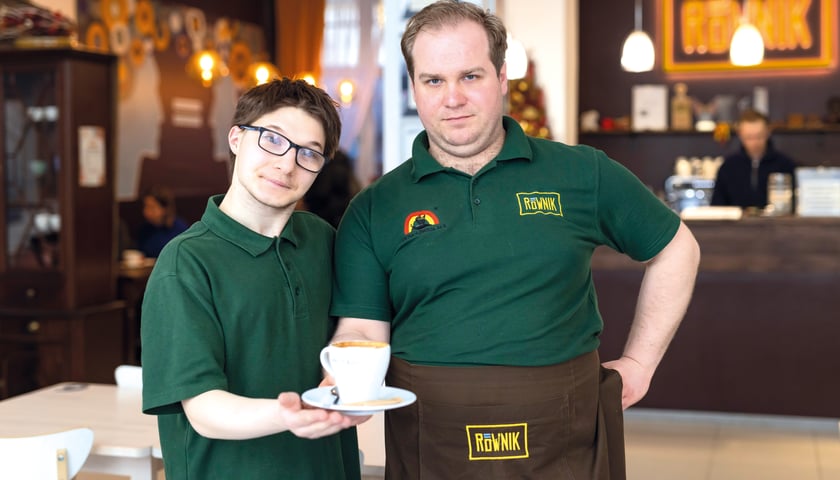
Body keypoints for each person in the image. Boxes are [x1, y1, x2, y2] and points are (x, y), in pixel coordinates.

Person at [328, 1, 701, 479]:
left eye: (470, 76)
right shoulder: (374, 207)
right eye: (433, 81)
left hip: (564, 434)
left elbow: (676, 248)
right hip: (431, 439)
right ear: (414, 86)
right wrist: (349, 383)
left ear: (502, 78)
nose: (452, 98)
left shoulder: (581, 172)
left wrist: (640, 361)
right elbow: (361, 330)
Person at [141, 78, 366, 479]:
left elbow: (352, 342)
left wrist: (355, 391)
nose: (287, 164)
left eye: (309, 153)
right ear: (236, 138)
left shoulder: (322, 241)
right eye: (273, 140)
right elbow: (204, 409)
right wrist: (292, 413)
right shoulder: (187, 262)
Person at [711, 109, 797, 209]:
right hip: (735, 224)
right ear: (740, 135)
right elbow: (716, 207)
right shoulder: (728, 167)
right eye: (749, 137)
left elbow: (795, 205)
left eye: (759, 136)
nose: (754, 142)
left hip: (775, 223)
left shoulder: (785, 165)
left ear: (768, 132)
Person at [299, 149, 361, 228]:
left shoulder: (324, 170)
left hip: (320, 218)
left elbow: (318, 193)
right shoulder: (344, 167)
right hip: (343, 218)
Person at [136, 185, 189, 257]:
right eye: (145, 206)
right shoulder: (145, 230)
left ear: (165, 208)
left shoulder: (180, 229)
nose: (146, 212)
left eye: (152, 207)